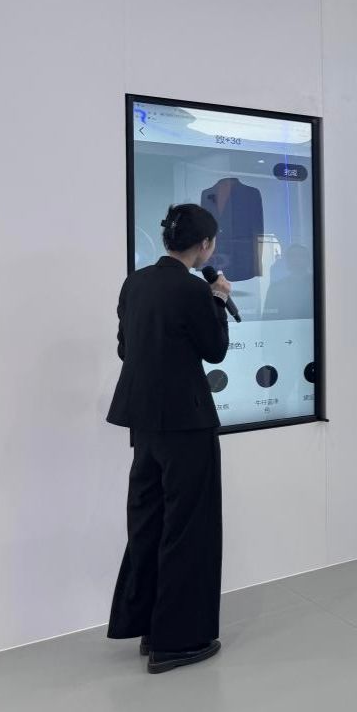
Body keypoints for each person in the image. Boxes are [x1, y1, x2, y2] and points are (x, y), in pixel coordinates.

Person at [106, 203, 231, 674]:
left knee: (149, 522)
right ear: (205, 245)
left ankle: (148, 628)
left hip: (143, 423)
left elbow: (126, 348)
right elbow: (215, 351)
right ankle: (177, 641)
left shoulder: (135, 283)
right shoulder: (195, 289)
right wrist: (218, 299)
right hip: (187, 423)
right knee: (188, 527)